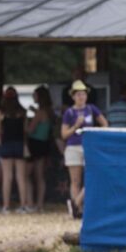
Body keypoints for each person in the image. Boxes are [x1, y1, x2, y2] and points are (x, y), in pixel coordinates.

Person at [62, 80, 108, 218]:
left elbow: (104, 123)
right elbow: (64, 134)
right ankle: (79, 210)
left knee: (92, 176)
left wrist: (96, 134)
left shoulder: (91, 109)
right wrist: (76, 126)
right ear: (73, 97)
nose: (81, 97)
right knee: (75, 180)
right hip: (73, 146)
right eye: (78, 94)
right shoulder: (69, 112)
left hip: (88, 146)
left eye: (83, 94)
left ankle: (76, 203)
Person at [0, 87, 28, 213]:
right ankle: (23, 205)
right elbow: (25, 131)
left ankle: (6, 206)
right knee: (21, 177)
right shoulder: (22, 112)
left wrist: (0, 144)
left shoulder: (0, 113)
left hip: (6, 144)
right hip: (19, 144)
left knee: (7, 177)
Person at [25, 86, 55, 212]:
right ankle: (40, 204)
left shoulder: (40, 113)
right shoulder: (49, 111)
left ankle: (30, 203)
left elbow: (30, 129)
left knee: (26, 175)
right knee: (40, 176)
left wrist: (24, 123)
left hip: (34, 143)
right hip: (44, 143)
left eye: (35, 95)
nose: (33, 97)